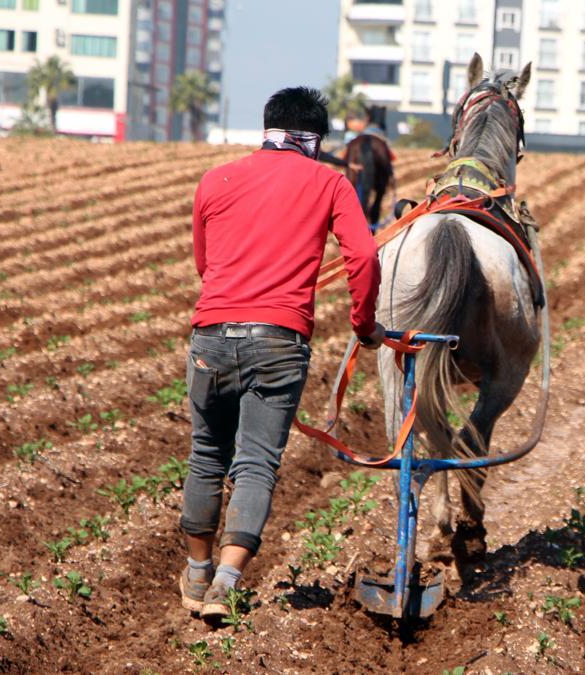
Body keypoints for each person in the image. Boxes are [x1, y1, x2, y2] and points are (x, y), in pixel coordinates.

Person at [178, 86, 385, 620]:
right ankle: (226, 581)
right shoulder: (330, 182)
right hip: (280, 340)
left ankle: (197, 574)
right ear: (315, 139)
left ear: (267, 127)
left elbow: (205, 263)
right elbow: (362, 253)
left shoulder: (215, 179)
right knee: (257, 464)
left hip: (212, 334)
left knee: (206, 455)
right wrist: (364, 327)